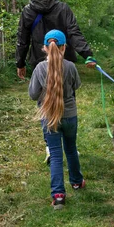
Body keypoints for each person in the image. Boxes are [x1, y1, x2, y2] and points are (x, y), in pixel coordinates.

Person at [29, 30, 85, 210]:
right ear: (64, 47)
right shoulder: (70, 66)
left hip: (49, 118)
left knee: (55, 154)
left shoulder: (39, 68)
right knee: (71, 149)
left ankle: (58, 195)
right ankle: (76, 182)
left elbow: (33, 94)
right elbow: (76, 85)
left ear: (45, 48)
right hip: (69, 116)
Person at [16, 0, 96, 80]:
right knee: (65, 94)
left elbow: (22, 40)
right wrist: (87, 55)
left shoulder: (28, 11)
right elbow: (74, 33)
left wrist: (20, 63)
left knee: (42, 94)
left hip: (39, 61)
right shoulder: (63, 9)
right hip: (64, 60)